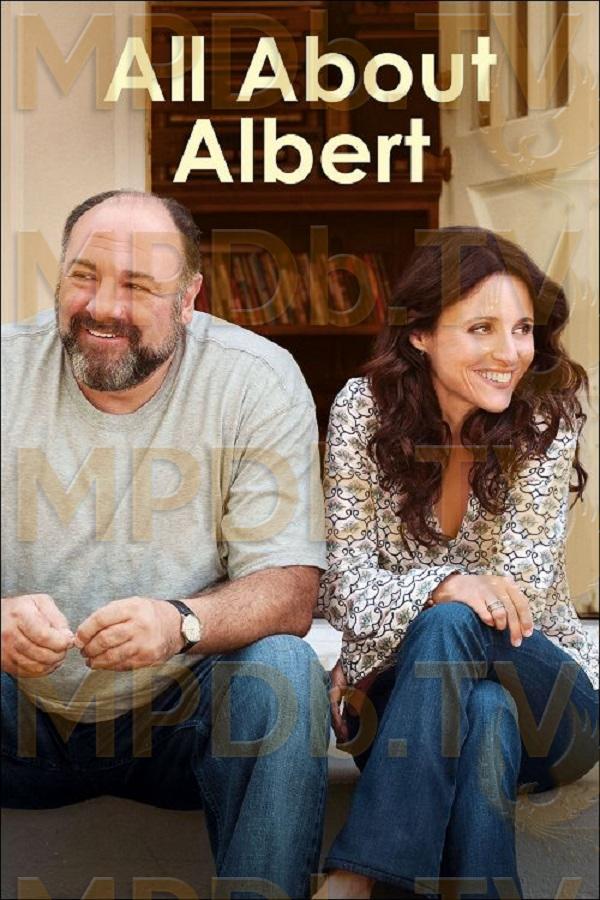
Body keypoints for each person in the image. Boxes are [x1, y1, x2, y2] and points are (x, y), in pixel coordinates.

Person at [1, 189, 330, 899]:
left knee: (283, 670)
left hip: (177, 718)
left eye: (138, 286)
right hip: (14, 712)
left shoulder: (255, 378)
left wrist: (181, 622)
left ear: (187, 299)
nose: (103, 307)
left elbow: (290, 588)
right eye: (83, 275)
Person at [315, 228, 599, 900]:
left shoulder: (544, 415)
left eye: (523, 329)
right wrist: (444, 585)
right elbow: (343, 587)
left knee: (459, 624)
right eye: (481, 329)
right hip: (402, 711)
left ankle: (358, 875)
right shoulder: (364, 410)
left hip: (552, 704)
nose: (511, 353)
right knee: (485, 712)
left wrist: (409, 615)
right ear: (420, 334)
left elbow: (514, 600)